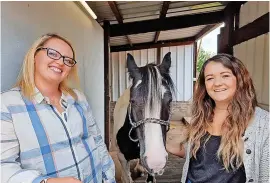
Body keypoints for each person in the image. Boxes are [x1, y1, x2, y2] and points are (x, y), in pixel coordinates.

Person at [1, 33, 116, 183]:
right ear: (34, 56)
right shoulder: (7, 104)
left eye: (68, 60)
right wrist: (45, 182)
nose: (60, 62)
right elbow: (3, 166)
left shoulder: (78, 98)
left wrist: (109, 177)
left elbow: (96, 141)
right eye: (53, 53)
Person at [167, 54, 269, 183]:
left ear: (239, 78)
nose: (217, 83)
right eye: (210, 78)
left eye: (225, 75)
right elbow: (202, 156)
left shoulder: (263, 124)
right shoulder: (201, 116)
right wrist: (168, 145)